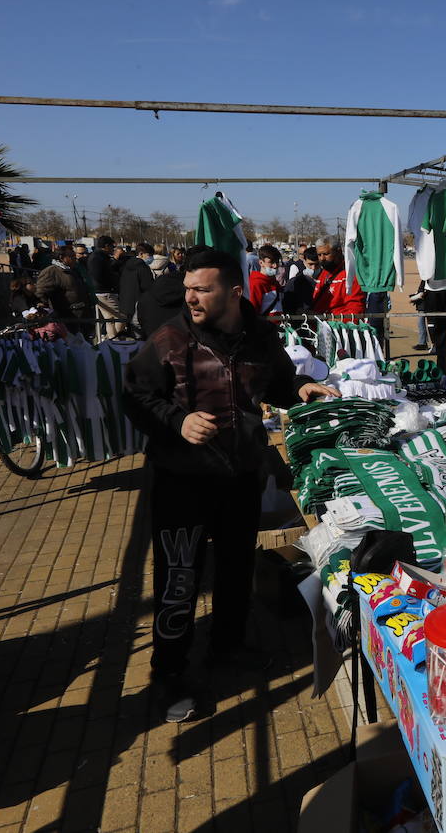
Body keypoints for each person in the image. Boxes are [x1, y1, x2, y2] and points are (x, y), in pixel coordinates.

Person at [123, 249, 338, 723]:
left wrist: (300, 388)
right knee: (179, 577)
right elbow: (134, 394)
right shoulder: (170, 338)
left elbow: (277, 383)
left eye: (203, 289)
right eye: (188, 289)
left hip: (240, 476)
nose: (191, 297)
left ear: (233, 292)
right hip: (181, 481)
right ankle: (169, 673)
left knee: (237, 567)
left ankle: (227, 645)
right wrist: (176, 422)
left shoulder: (261, 337)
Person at [35, 245, 92, 337]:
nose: (75, 259)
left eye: (75, 256)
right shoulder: (51, 272)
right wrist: (50, 309)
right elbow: (40, 292)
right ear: (62, 258)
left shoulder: (73, 271)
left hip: (81, 316)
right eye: (71, 257)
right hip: (66, 318)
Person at [311, 240, 366, 316]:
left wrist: (332, 322)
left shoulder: (350, 274)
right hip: (319, 322)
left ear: (338, 252)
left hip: (337, 324)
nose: (322, 258)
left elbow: (355, 310)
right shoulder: (323, 273)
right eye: (319, 255)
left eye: (326, 254)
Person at [88, 236, 123, 340]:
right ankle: (112, 339)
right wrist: (112, 284)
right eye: (112, 246)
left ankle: (111, 338)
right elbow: (99, 276)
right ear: (106, 246)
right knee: (122, 317)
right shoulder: (98, 258)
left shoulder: (99, 256)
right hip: (104, 292)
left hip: (102, 291)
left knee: (109, 319)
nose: (113, 249)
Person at [118, 243, 157, 337]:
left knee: (131, 329)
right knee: (138, 331)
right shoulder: (143, 268)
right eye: (149, 255)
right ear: (141, 254)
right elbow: (148, 286)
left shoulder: (127, 265)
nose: (151, 258)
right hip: (139, 303)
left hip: (126, 303)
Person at [281, 247, 321, 314]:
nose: (313, 268)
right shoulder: (295, 281)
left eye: (317, 264)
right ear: (304, 261)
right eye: (310, 264)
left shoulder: (326, 278)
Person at [247, 244, 284, 315]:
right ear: (261, 262)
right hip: (265, 325)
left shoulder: (274, 281)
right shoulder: (255, 283)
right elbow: (252, 312)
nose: (275, 265)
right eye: (271, 262)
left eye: (277, 262)